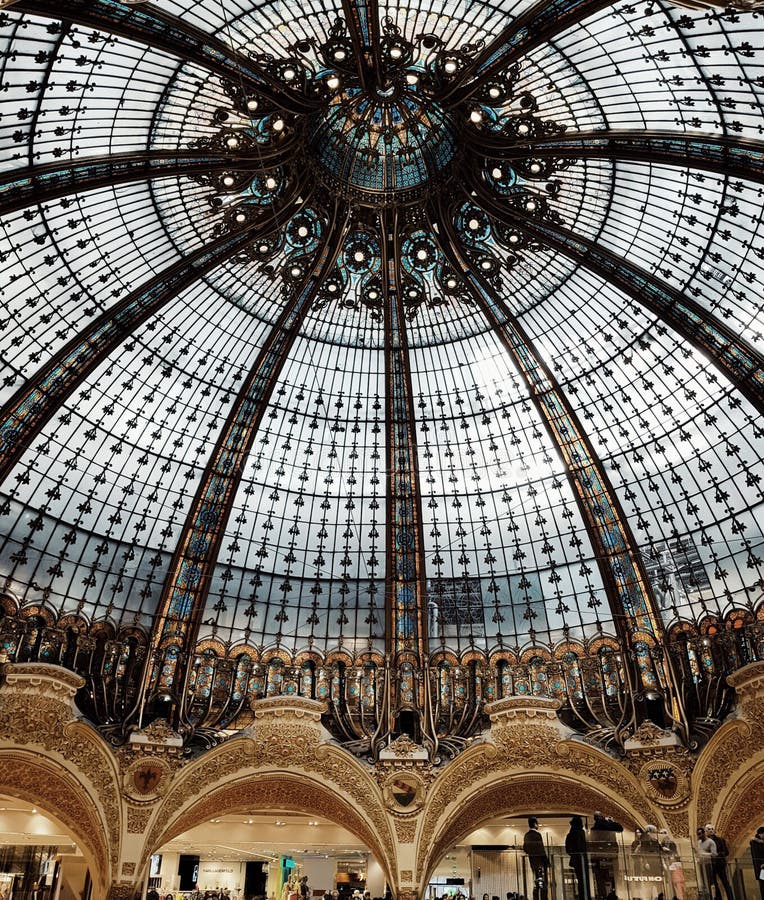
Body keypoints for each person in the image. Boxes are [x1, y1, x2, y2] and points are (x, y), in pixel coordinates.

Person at [590, 811, 623, 900]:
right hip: (611, 854)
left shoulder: (594, 828)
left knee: (600, 878)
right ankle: (613, 894)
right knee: (613, 877)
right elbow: (620, 828)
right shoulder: (608, 825)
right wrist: (611, 821)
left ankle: (603, 896)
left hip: (599, 855)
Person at [523, 816, 550, 900]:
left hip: (532, 862)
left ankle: (536, 898)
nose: (538, 825)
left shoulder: (526, 835)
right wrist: (547, 862)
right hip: (540, 863)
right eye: (537, 823)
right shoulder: (537, 835)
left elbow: (525, 848)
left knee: (536, 883)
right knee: (543, 884)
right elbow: (541, 849)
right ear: (535, 824)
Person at [705, 825, 734, 900]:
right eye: (709, 829)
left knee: (725, 881)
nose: (711, 830)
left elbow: (726, 852)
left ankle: (730, 897)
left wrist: (718, 854)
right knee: (714, 882)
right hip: (710, 864)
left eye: (712, 829)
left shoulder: (720, 840)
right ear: (706, 831)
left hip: (720, 863)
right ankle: (718, 898)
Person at [566, 815, 591, 900]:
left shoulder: (570, 834)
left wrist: (573, 854)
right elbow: (584, 846)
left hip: (576, 860)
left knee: (580, 880)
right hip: (582, 859)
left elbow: (568, 849)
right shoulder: (581, 832)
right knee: (584, 880)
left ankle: (581, 896)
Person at [658, 827, 684, 900]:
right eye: (661, 834)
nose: (662, 835)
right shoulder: (661, 844)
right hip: (665, 865)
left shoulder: (670, 843)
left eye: (663, 833)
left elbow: (675, 854)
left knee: (676, 882)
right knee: (668, 883)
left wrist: (668, 850)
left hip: (672, 865)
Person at [697, 826, 717, 900]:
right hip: (702, 864)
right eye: (698, 834)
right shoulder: (699, 842)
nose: (699, 835)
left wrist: (704, 854)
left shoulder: (710, 842)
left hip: (709, 864)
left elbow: (714, 854)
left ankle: (713, 897)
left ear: (704, 833)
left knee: (711, 882)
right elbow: (699, 852)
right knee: (704, 883)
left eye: (700, 834)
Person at [750, 826, 764, 900]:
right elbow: (758, 855)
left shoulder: (756, 843)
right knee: (763, 884)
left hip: (761, 868)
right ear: (760, 834)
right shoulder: (756, 844)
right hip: (762, 868)